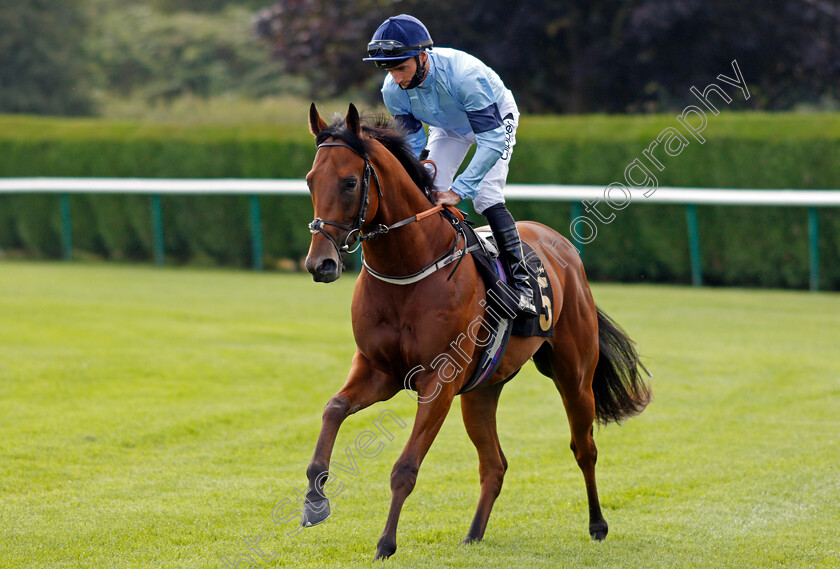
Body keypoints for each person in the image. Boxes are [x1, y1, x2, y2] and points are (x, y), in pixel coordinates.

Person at [363, 14, 537, 316]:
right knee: (429, 193)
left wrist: (460, 190)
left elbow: (492, 141)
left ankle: (523, 286)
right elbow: (413, 146)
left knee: (486, 195)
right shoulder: (392, 90)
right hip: (447, 129)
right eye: (390, 70)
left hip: (496, 121)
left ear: (421, 56)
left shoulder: (464, 76)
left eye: (401, 68)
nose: (398, 79)